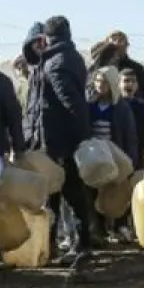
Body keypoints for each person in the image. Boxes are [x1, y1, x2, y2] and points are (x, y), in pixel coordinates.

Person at [26, 15, 94, 266]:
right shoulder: (72, 56)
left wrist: (79, 136)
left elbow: (69, 102)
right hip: (64, 137)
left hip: (58, 139)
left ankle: (76, 245)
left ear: (48, 36)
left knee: (65, 192)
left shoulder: (54, 63)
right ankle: (55, 244)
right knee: (62, 192)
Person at [88, 66, 140, 242]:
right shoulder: (90, 106)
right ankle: (99, 230)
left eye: (104, 82)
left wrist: (131, 160)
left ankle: (120, 227)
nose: (100, 85)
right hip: (95, 157)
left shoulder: (121, 108)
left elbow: (130, 136)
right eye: (97, 81)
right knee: (95, 193)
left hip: (114, 155)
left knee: (116, 193)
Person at [91, 32, 144, 148]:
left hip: (134, 120)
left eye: (122, 41)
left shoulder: (136, 68)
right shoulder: (100, 68)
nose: (118, 44)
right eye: (114, 39)